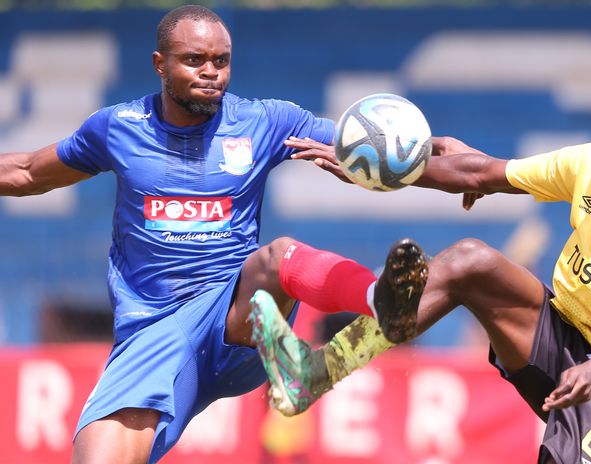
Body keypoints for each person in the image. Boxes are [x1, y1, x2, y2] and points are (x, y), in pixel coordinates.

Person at [0, 5, 428, 463]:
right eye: (194, 60)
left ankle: (378, 297)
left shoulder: (265, 121)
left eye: (221, 61)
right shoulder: (117, 127)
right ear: (159, 64)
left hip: (235, 319)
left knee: (278, 257)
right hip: (152, 330)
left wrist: (457, 159)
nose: (211, 73)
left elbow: (381, 148)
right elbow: (27, 172)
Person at [256, 66, 591, 463]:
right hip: (559, 332)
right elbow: (480, 172)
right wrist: (376, 167)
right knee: (470, 260)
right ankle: (317, 372)